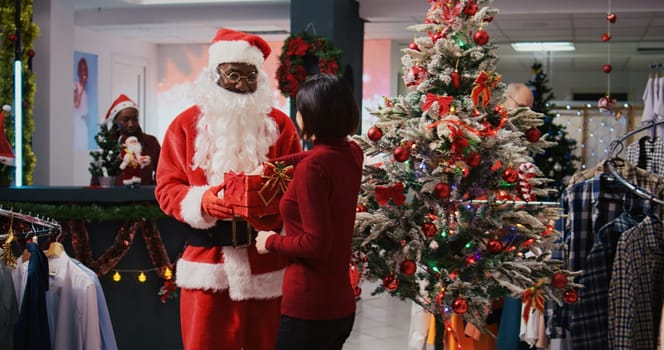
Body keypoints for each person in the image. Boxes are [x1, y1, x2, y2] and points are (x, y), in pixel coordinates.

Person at [154, 28, 302, 350]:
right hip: (207, 266)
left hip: (266, 266)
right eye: (233, 74)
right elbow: (166, 188)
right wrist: (201, 201)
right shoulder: (183, 126)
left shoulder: (280, 126)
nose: (241, 84)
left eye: (250, 76)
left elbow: (297, 188)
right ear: (214, 75)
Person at [254, 74, 363, 350]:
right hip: (340, 305)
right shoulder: (351, 153)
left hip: (309, 308)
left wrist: (270, 241)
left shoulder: (312, 169)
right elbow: (316, 155)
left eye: (300, 110)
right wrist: (272, 167)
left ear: (312, 115)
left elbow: (316, 243)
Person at [90, 94, 161, 186]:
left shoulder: (150, 142)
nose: (131, 124)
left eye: (134, 119)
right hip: (114, 198)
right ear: (115, 120)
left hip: (145, 198)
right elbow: (97, 178)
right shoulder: (108, 145)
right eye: (125, 120)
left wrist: (154, 191)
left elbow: (163, 172)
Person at [74, 57, 89, 150]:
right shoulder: (75, 86)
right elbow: (76, 103)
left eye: (85, 70)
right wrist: (82, 87)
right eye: (82, 69)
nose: (84, 72)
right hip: (77, 124)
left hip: (83, 125)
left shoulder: (85, 90)